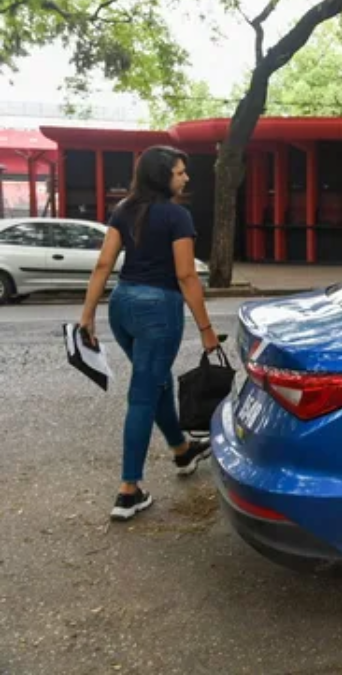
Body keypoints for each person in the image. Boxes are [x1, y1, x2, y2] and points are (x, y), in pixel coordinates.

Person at [79, 146, 219, 522]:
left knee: (154, 382)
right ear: (163, 177)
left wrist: (88, 314)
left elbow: (104, 264)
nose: (186, 178)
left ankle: (182, 449)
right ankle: (128, 491)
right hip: (158, 310)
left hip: (122, 307)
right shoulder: (177, 216)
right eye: (179, 172)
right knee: (143, 393)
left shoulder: (124, 210)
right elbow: (186, 275)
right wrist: (207, 330)